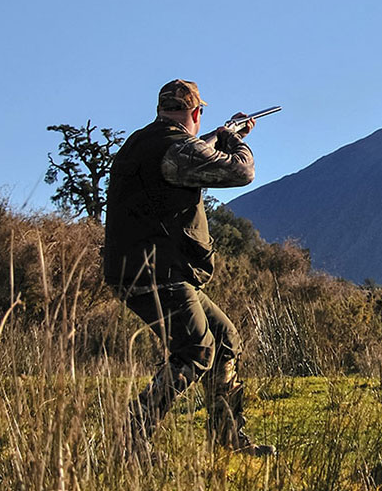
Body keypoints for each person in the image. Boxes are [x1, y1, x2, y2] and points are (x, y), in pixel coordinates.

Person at [103, 79, 274, 458]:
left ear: (162, 110)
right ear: (195, 113)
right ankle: (132, 441)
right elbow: (241, 173)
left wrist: (218, 136)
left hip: (154, 268)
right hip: (153, 271)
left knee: (223, 338)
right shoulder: (175, 147)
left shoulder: (145, 142)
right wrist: (234, 140)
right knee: (196, 348)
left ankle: (227, 438)